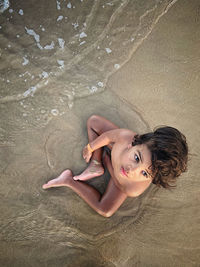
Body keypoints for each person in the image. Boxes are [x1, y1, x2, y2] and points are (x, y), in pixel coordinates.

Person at [42, 115, 188, 217]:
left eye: (144, 174)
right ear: (136, 142)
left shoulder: (133, 188)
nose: (133, 170)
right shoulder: (126, 137)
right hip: (117, 153)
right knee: (94, 121)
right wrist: (91, 148)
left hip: (120, 177)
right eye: (137, 158)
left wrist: (109, 165)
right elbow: (107, 137)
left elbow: (119, 183)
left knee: (105, 210)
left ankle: (68, 180)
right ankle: (95, 163)